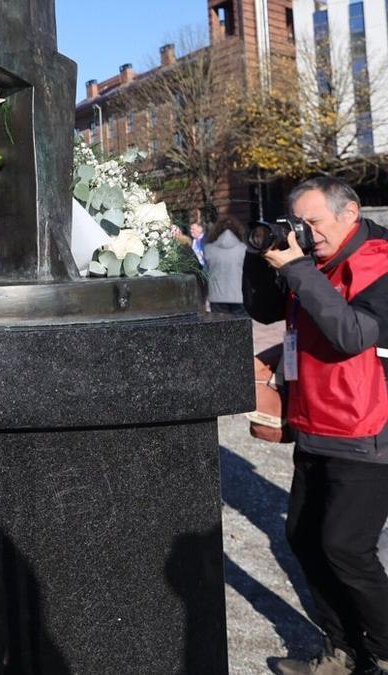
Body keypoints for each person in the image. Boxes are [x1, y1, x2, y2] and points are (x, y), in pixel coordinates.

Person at [244, 177, 388, 675]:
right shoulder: (311, 261)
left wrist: (301, 269)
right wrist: (260, 255)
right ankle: (344, 651)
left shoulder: (380, 260)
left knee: (346, 547)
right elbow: (264, 310)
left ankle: (385, 652)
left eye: (313, 222)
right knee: (304, 538)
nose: (305, 233)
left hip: (367, 430)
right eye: (297, 223)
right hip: (313, 421)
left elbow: (353, 334)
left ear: (350, 213)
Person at [203, 216, 247, 316]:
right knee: (242, 329)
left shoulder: (209, 249)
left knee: (221, 329)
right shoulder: (243, 249)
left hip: (217, 296)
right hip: (239, 295)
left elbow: (205, 272)